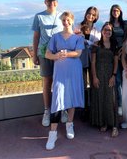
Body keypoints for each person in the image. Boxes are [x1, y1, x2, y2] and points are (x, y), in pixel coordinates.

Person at [45, 11, 85, 150]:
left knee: (72, 96)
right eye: (63, 20)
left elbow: (78, 53)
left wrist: (65, 53)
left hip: (74, 71)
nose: (65, 22)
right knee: (57, 99)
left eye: (68, 20)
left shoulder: (78, 38)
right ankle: (53, 133)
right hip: (60, 73)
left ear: (72, 21)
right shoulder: (55, 37)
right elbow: (47, 54)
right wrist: (56, 56)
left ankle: (69, 124)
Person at [32, 0, 68, 127]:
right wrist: (34, 55)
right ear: (45, 2)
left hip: (59, 54)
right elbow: (36, 37)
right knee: (47, 81)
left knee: (61, 81)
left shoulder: (62, 17)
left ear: (57, 2)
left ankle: (63, 108)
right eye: (48, 0)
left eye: (53, 0)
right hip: (43, 53)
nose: (51, 3)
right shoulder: (39, 16)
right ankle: (47, 111)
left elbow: (68, 32)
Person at [90, 22, 119, 137]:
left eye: (109, 30)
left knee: (111, 99)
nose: (107, 32)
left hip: (109, 75)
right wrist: (94, 77)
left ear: (112, 33)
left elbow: (116, 61)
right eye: (105, 30)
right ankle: (104, 122)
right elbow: (93, 62)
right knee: (100, 98)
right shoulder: (96, 44)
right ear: (102, 31)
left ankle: (114, 125)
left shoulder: (114, 45)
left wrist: (114, 75)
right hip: (98, 75)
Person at [77, 7, 101, 120]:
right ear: (86, 14)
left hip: (92, 59)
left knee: (92, 84)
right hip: (80, 59)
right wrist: (89, 43)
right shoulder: (78, 26)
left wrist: (86, 41)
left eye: (93, 14)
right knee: (81, 85)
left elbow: (96, 45)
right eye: (89, 13)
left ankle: (93, 108)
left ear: (96, 16)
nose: (90, 16)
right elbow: (75, 40)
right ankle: (82, 109)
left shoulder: (97, 29)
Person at [109, 4, 127, 116]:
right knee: (118, 80)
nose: (115, 12)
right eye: (113, 10)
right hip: (113, 55)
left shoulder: (124, 24)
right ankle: (119, 104)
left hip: (124, 54)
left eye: (117, 10)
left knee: (125, 79)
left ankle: (125, 103)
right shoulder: (109, 24)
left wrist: (123, 50)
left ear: (120, 12)